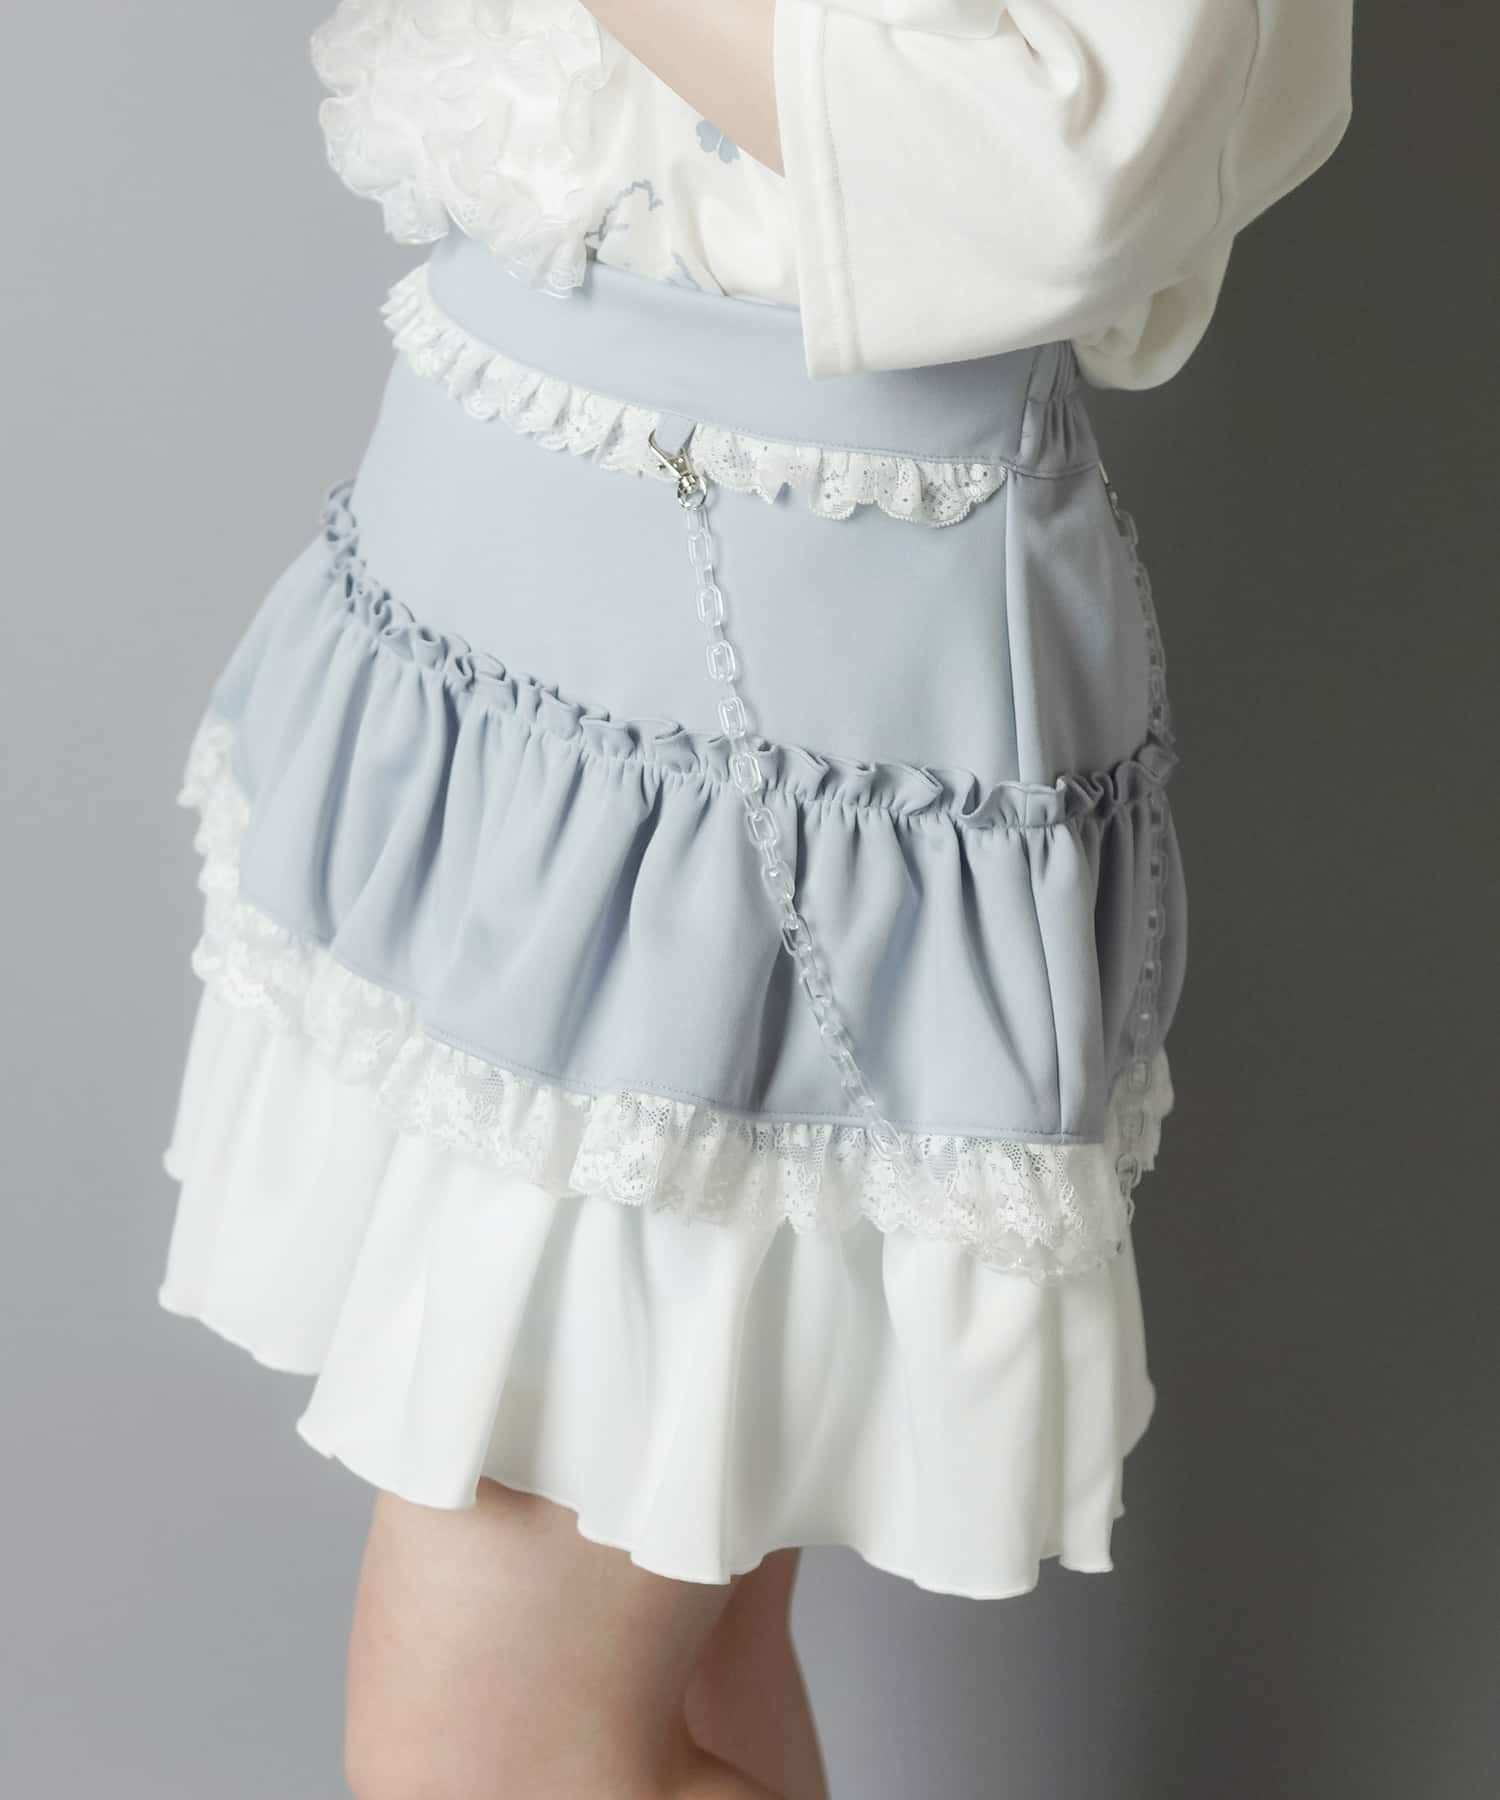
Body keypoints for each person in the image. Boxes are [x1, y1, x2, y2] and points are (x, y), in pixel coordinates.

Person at [156, 3, 1355, 1795]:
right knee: (685, 1679)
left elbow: (1060, 174)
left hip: (768, 674)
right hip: (493, 563)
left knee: (493, 1746)